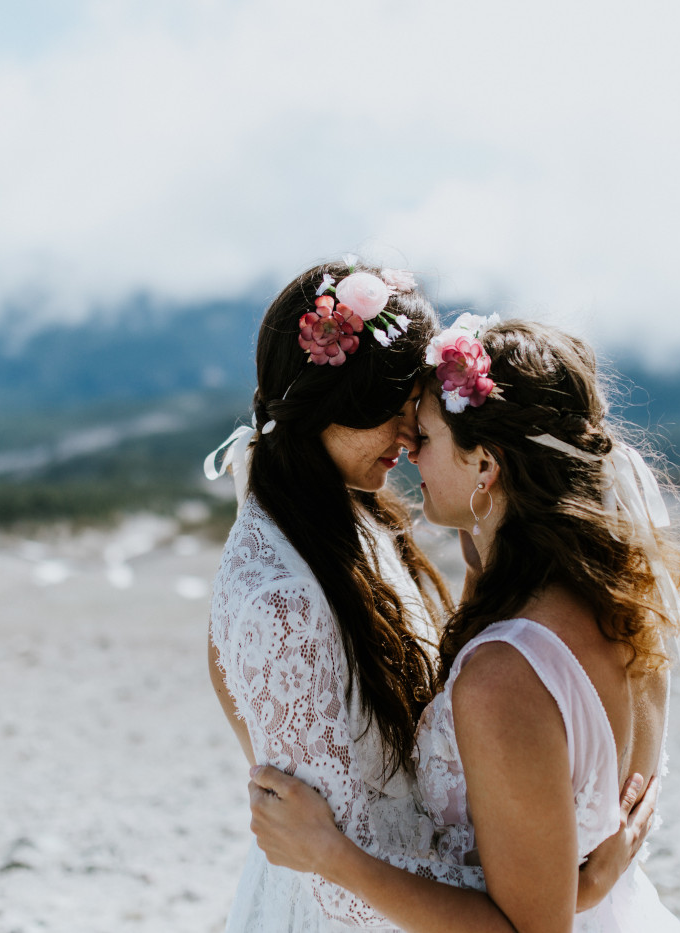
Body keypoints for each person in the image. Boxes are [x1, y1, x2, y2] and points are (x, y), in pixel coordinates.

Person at [207, 268, 651, 931]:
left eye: (420, 412)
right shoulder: (283, 601)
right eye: (398, 407)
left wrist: (562, 885)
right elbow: (330, 876)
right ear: (333, 403)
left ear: (486, 465)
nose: (410, 434)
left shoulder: (367, 521)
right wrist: (575, 884)